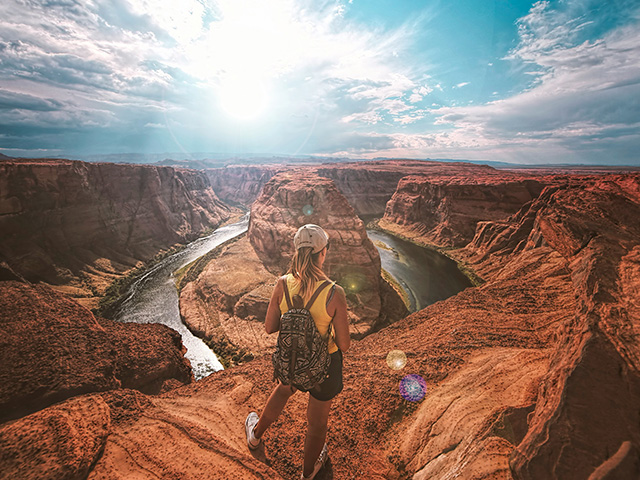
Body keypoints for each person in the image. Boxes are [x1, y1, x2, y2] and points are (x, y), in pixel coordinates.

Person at [245, 224, 350, 480]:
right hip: (324, 367)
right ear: (322, 252)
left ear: (297, 251)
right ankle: (307, 473)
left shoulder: (282, 284)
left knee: (283, 390)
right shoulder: (334, 293)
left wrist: (296, 324)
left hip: (292, 360)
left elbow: (270, 327)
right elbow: (344, 345)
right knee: (316, 424)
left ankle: (255, 437)